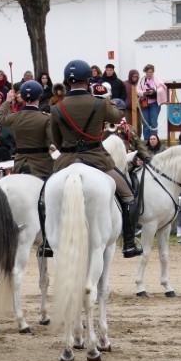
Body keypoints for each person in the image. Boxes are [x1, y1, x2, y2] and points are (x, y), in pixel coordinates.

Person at [50, 59, 143, 258]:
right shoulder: (99, 103)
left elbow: (57, 141)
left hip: (66, 160)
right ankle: (128, 243)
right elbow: (118, 117)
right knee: (128, 196)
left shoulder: (56, 108)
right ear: (88, 80)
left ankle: (48, 245)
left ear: (67, 81)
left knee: (43, 199)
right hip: (97, 159)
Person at [0, 80, 55, 255]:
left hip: (20, 164)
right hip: (41, 165)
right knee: (53, 197)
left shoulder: (15, 116)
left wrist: (8, 101)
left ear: (23, 97)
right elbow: (53, 141)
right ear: (40, 97)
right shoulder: (45, 118)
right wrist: (51, 145)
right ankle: (48, 238)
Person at [137, 65, 166, 140]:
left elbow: (163, 88)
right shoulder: (142, 81)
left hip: (155, 104)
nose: (149, 74)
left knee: (153, 122)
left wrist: (154, 92)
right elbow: (137, 90)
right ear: (145, 72)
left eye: (150, 72)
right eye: (147, 72)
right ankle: (147, 140)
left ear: (153, 72)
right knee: (145, 122)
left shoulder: (157, 79)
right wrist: (144, 93)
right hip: (144, 103)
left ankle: (154, 139)